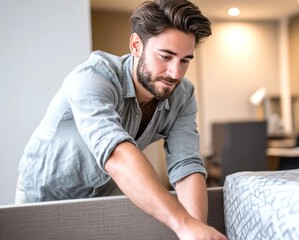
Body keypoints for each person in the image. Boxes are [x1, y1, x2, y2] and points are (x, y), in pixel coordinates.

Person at [16, 0, 226, 239]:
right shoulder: (93, 78)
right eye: (166, 57)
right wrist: (183, 225)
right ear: (136, 45)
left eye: (185, 60)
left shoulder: (183, 95)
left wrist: (196, 227)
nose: (175, 73)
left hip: (108, 192)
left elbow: (186, 165)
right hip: (46, 195)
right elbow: (116, 154)